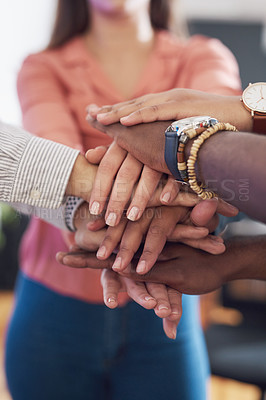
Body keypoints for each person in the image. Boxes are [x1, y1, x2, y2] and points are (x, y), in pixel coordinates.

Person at [5, 1, 242, 399]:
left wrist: (107, 189)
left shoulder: (203, 55)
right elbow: (53, 165)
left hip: (166, 299)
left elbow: (220, 144)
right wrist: (166, 172)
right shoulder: (42, 66)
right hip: (54, 305)